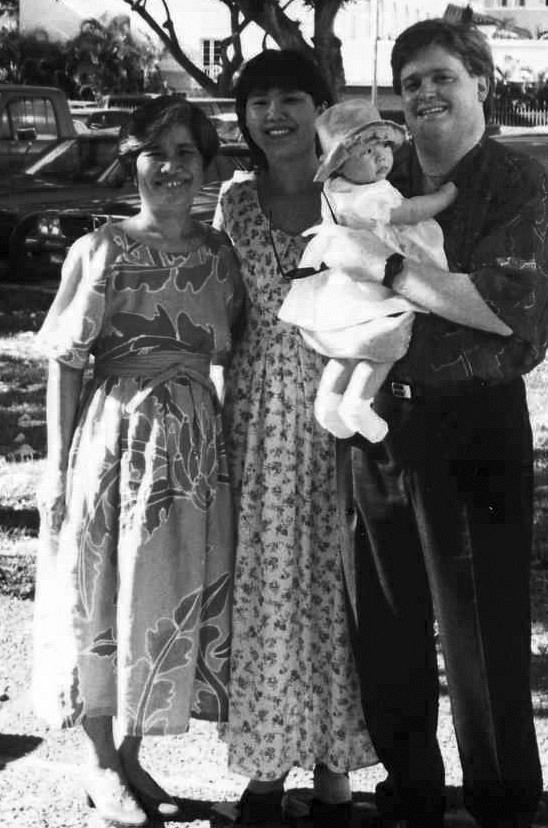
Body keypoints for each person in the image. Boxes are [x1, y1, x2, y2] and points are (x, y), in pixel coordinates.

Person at [302, 20, 548, 828]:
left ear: (481, 82)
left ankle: (502, 800)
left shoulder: (516, 181)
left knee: (481, 626)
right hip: (378, 424)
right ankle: (410, 791)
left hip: (475, 425)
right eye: (410, 81)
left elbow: (501, 307)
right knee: (385, 620)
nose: (425, 93)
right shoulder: (380, 171)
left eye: (442, 76)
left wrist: (384, 267)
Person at [31, 96, 244, 827]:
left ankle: (128, 755)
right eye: (158, 152)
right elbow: (65, 360)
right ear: (134, 160)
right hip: (115, 438)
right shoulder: (101, 249)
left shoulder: (220, 257)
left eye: (188, 153)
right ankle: (96, 763)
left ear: (206, 166)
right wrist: (56, 468)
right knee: (103, 590)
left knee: (155, 598)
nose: (173, 166)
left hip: (191, 448)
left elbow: (231, 349)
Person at [212, 50, 378, 826]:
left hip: (342, 405)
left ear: (320, 106)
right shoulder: (234, 202)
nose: (273, 115)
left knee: (339, 586)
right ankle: (268, 764)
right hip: (257, 419)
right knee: (269, 587)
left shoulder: (354, 191)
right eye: (257, 102)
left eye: (290, 99)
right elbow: (223, 313)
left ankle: (336, 766)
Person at [279, 98, 511, 443]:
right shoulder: (370, 198)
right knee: (385, 341)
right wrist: (447, 196)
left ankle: (328, 403)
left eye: (384, 146)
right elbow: (411, 212)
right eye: (367, 152)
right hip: (372, 287)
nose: (381, 156)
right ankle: (358, 401)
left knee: (348, 349)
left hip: (344, 290)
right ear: (340, 165)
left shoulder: (337, 191)